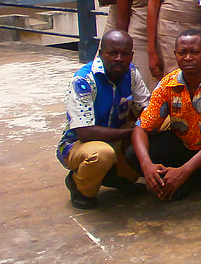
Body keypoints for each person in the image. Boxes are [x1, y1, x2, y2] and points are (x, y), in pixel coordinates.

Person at [126, 29, 201, 201]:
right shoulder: (168, 83)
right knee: (133, 154)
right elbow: (142, 127)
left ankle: (190, 175)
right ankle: (195, 176)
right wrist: (146, 165)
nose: (188, 58)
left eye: (195, 52)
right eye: (182, 52)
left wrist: (185, 170)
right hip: (183, 145)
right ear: (175, 54)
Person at [58, 30, 149, 209]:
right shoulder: (83, 80)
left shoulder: (131, 73)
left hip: (115, 135)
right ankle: (79, 185)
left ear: (131, 55)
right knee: (101, 154)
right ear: (100, 54)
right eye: (112, 53)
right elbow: (85, 132)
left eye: (124, 54)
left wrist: (146, 127)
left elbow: (146, 108)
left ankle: (118, 177)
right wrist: (135, 133)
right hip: (78, 143)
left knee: (161, 125)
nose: (119, 58)